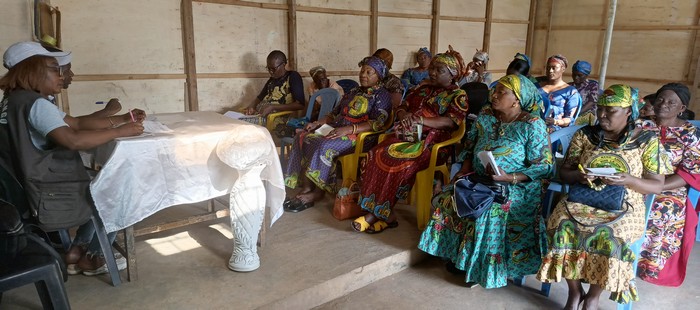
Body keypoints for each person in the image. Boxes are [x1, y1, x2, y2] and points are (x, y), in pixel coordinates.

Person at [0, 41, 146, 275]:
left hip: (28, 189)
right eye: (54, 69)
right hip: (46, 193)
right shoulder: (36, 104)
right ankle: (93, 257)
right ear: (32, 70)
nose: (61, 75)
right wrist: (120, 132)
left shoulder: (15, 100)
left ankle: (77, 250)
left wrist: (124, 119)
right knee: (121, 190)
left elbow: (77, 122)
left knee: (106, 182)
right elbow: (73, 140)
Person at [536, 84, 671, 309]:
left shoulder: (646, 140)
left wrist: (628, 180)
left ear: (629, 111)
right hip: (583, 199)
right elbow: (565, 171)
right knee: (561, 224)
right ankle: (575, 291)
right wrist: (579, 175)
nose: (602, 114)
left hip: (625, 206)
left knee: (610, 235)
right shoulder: (586, 134)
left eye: (611, 110)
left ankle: (593, 297)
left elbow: (657, 185)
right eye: (600, 109)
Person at [418, 74, 552, 289]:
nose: (494, 95)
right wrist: (463, 170)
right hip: (481, 179)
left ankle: (483, 269)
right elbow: (471, 147)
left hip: (517, 186)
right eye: (495, 90)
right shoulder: (486, 115)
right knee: (449, 197)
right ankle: (458, 257)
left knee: (489, 208)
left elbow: (544, 166)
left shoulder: (532, 125)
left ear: (517, 99)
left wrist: (511, 177)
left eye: (501, 92)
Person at [352, 46, 468, 233]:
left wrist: (422, 120)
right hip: (406, 135)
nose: (433, 72)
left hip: (432, 142)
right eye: (433, 68)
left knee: (400, 163)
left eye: (440, 70)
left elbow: (451, 122)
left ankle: (376, 214)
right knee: (375, 154)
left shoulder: (457, 95)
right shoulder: (422, 88)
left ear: (453, 74)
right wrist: (404, 114)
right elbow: (402, 106)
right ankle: (383, 213)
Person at [283, 56, 392, 212]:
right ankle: (307, 187)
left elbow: (378, 123)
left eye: (369, 72)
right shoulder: (354, 91)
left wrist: (348, 130)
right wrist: (317, 123)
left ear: (379, 76)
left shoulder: (381, 95)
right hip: (337, 128)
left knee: (324, 145)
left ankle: (319, 192)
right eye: (362, 71)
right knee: (303, 136)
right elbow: (334, 114)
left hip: (361, 137)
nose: (363, 75)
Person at [637, 83, 700, 287]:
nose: (663, 104)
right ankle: (615, 256)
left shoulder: (689, 133)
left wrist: (656, 187)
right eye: (660, 99)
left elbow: (690, 172)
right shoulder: (641, 125)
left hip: (670, 186)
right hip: (635, 181)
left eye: (671, 102)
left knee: (663, 209)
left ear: (681, 108)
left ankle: (648, 264)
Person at [243, 50, 305, 121]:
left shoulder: (293, 76)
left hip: (281, 121)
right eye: (268, 69)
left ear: (283, 64)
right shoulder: (272, 80)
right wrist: (251, 107)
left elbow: (300, 105)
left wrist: (273, 107)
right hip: (262, 117)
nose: (271, 72)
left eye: (273, 69)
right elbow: (259, 98)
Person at [536, 55, 582, 132]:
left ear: (562, 69)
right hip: (533, 124)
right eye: (548, 68)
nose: (550, 71)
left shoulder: (570, 92)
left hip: (555, 130)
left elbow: (570, 119)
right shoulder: (536, 87)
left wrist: (555, 121)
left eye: (554, 68)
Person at [570, 60, 600, 126]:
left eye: (579, 75)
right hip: (570, 114)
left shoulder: (593, 85)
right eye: (574, 74)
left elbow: (591, 103)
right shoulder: (569, 86)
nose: (576, 77)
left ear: (586, 75)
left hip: (587, 114)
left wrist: (576, 114)